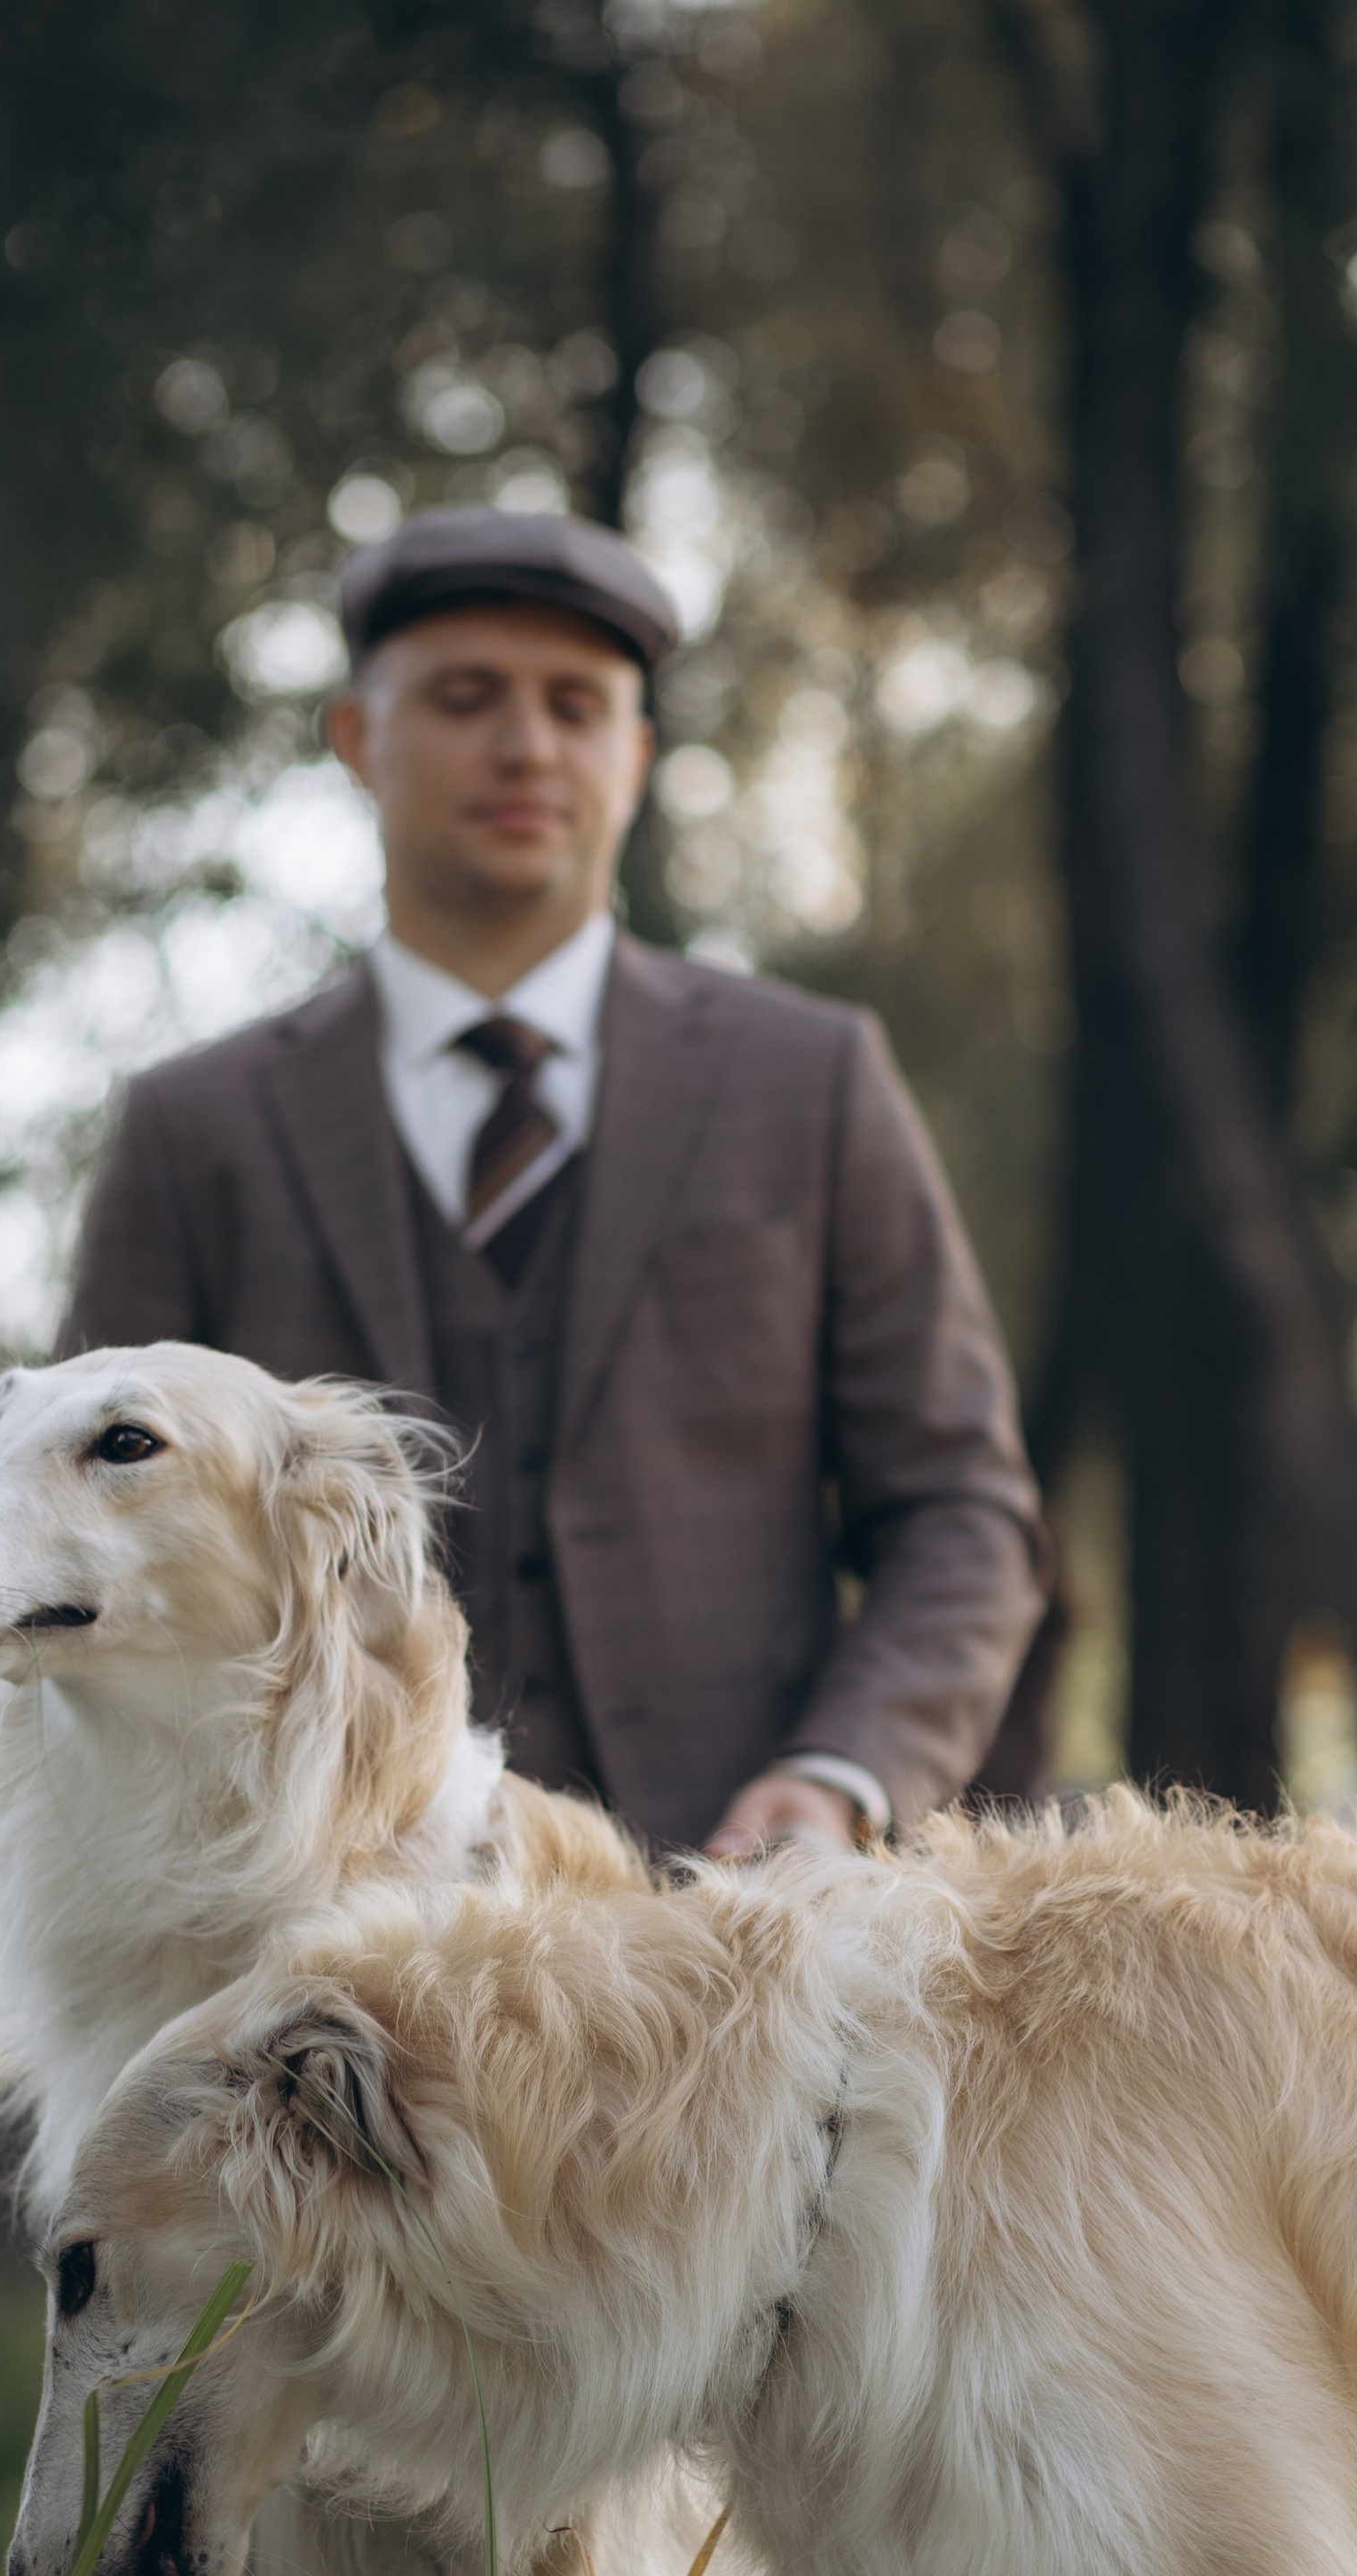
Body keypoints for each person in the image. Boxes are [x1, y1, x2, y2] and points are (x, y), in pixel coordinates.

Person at [59, 505, 1045, 1856]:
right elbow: (76, 1527)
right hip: (334, 1948)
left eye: (577, 707)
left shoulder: (808, 1082)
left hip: (740, 1943)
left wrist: (841, 1776)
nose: (527, 745)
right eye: (467, 699)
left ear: (635, 758)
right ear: (358, 739)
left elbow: (960, 1513)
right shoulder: (198, 1131)